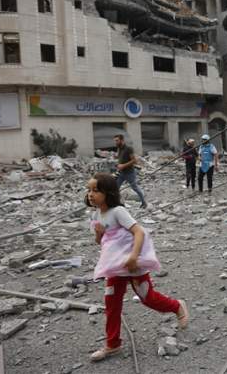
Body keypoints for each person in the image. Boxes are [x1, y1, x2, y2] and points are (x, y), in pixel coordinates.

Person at [85, 172, 189, 362]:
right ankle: (112, 344)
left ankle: (177, 306)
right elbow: (104, 242)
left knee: (147, 298)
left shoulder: (118, 212)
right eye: (89, 190)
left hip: (132, 265)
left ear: (108, 192)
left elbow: (139, 232)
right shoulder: (95, 214)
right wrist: (98, 235)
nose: (91, 194)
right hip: (116, 267)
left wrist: (134, 256)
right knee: (111, 304)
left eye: (96, 190)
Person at [113, 134, 147, 209]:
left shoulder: (129, 148)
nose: (115, 142)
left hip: (129, 173)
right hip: (121, 173)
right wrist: (117, 161)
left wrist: (123, 165)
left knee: (135, 188)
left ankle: (144, 203)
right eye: (115, 141)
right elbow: (120, 158)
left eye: (117, 140)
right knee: (115, 188)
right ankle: (117, 203)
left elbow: (134, 160)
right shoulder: (119, 148)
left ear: (122, 140)